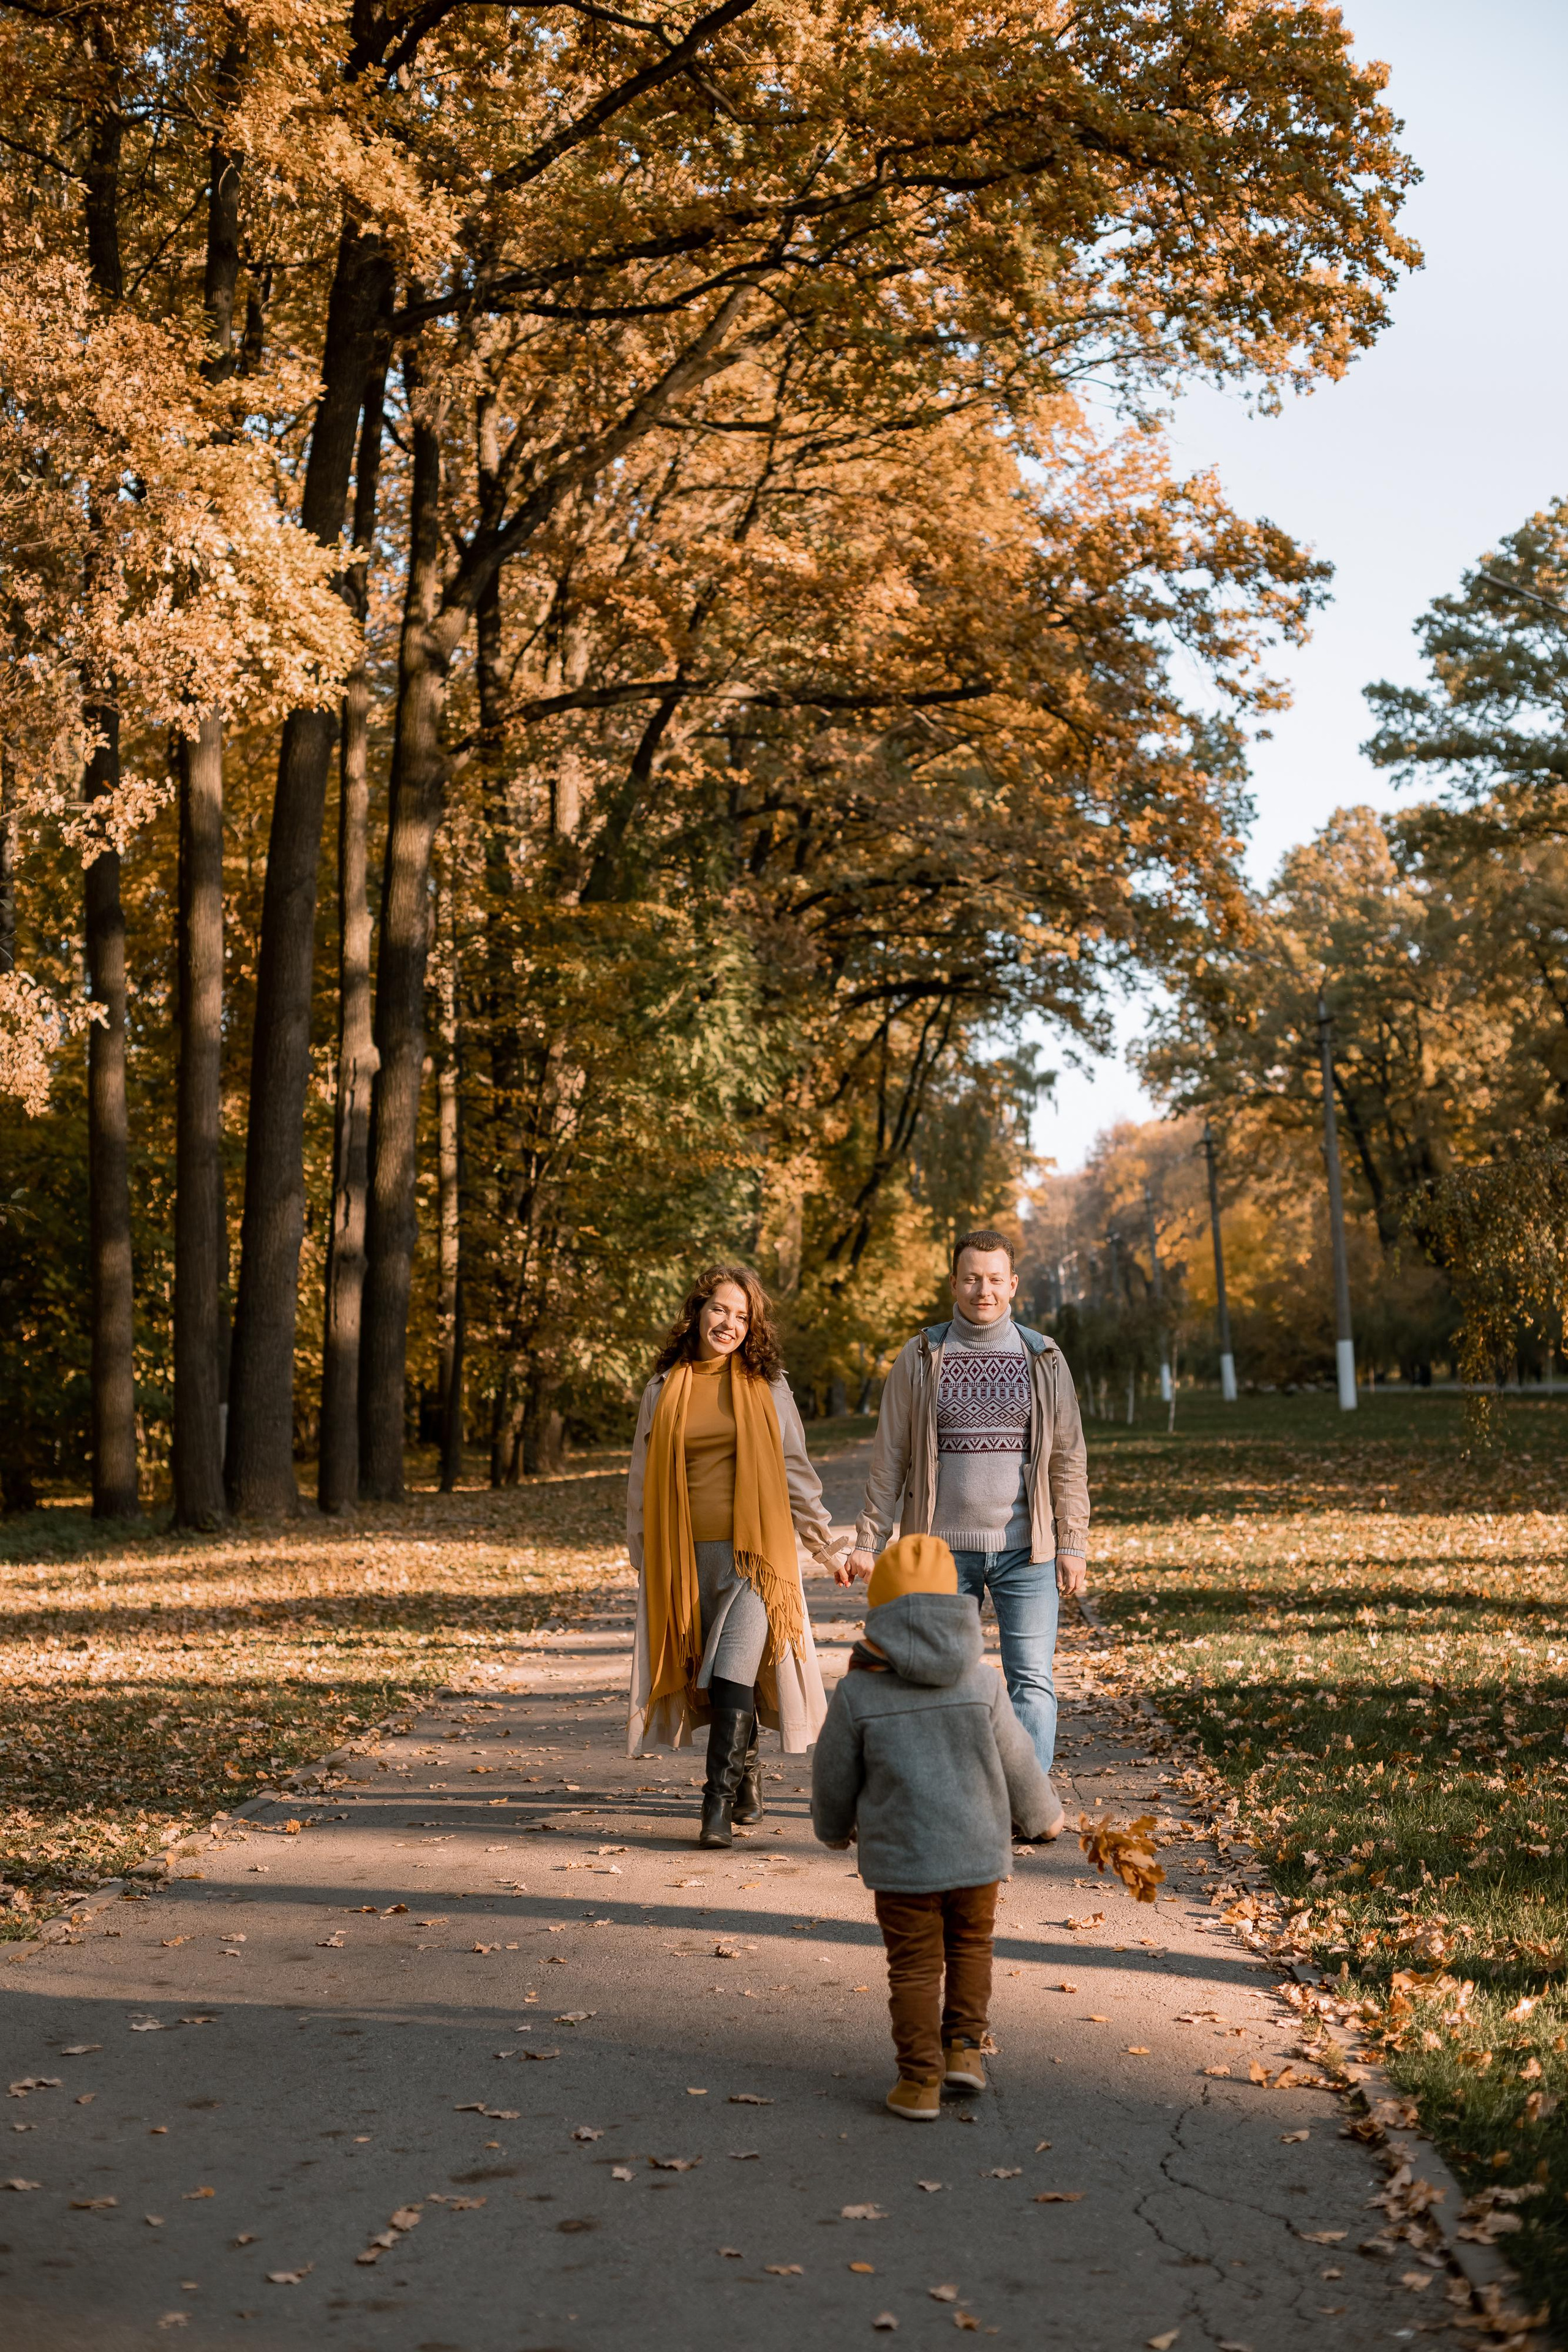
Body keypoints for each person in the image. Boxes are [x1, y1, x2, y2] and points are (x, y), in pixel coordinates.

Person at [812, 1533, 1058, 2119]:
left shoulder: (858, 1689)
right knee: (972, 1947)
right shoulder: (983, 1683)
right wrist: (1042, 1816)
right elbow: (1018, 1761)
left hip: (903, 1861)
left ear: (881, 1610)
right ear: (953, 1605)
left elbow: (833, 1772)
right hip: (977, 1855)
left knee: (916, 1966)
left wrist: (832, 1826)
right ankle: (964, 2054)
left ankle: (919, 2082)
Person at [841, 1227, 1088, 1796]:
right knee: (936, 1678)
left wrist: (1073, 1543)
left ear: (1013, 1285)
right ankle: (948, 1796)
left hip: (1028, 1551)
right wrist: (868, 1541)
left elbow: (1069, 1457)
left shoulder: (1043, 1357)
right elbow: (890, 1457)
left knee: (1032, 1681)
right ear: (954, 1282)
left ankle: (1026, 1799)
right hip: (940, 1554)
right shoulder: (924, 1354)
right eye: (972, 1278)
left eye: (995, 1279)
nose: (984, 1290)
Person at [626, 1265, 840, 1847]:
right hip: (685, 1557)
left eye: (744, 1316)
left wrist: (825, 1543)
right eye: (721, 1310)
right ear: (697, 1311)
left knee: (733, 1671)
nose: (731, 1324)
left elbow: (796, 1469)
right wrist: (642, 1555)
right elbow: (642, 1480)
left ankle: (714, 1805)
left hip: (756, 1556)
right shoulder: (663, 1388)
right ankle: (745, 1772)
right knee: (711, 1677)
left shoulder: (767, 1386)